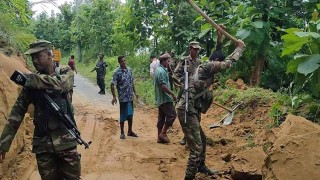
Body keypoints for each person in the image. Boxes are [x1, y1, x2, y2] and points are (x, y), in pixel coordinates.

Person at [0, 40, 81, 179]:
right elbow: (16, 113)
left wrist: (33, 80)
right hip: (43, 146)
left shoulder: (64, 71)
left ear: (49, 55)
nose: (35, 61)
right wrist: (4, 144)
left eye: (38, 56)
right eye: (33, 58)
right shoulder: (30, 83)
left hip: (66, 140)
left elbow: (62, 84)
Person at [173, 40, 245, 180]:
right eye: (218, 63)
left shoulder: (202, 65)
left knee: (203, 140)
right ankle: (189, 177)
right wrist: (239, 48)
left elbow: (218, 55)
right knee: (196, 149)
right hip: (186, 110)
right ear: (216, 61)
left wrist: (219, 38)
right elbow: (228, 63)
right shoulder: (207, 66)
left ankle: (201, 166)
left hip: (191, 108)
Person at [111, 55, 139, 140]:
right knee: (123, 115)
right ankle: (122, 132)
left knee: (130, 114)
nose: (124, 62)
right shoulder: (117, 72)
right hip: (123, 98)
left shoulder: (129, 70)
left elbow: (132, 82)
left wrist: (135, 92)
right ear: (119, 62)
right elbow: (112, 84)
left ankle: (130, 131)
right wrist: (114, 96)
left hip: (130, 97)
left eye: (125, 60)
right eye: (122, 61)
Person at [153, 53, 177, 143]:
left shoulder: (158, 70)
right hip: (165, 98)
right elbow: (163, 86)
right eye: (168, 61)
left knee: (161, 118)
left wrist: (169, 68)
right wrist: (172, 94)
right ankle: (163, 133)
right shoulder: (162, 71)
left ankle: (159, 137)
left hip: (159, 98)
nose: (169, 63)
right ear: (163, 61)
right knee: (172, 115)